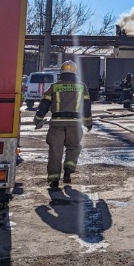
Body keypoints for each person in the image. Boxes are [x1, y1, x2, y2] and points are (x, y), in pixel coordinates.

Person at [33, 60, 92, 189]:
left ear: (61, 72)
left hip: (56, 124)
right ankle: (68, 169)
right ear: (75, 72)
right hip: (75, 124)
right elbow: (87, 107)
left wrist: (37, 120)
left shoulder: (54, 87)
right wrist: (88, 123)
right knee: (74, 147)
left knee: (55, 151)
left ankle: (54, 180)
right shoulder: (82, 87)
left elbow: (44, 105)